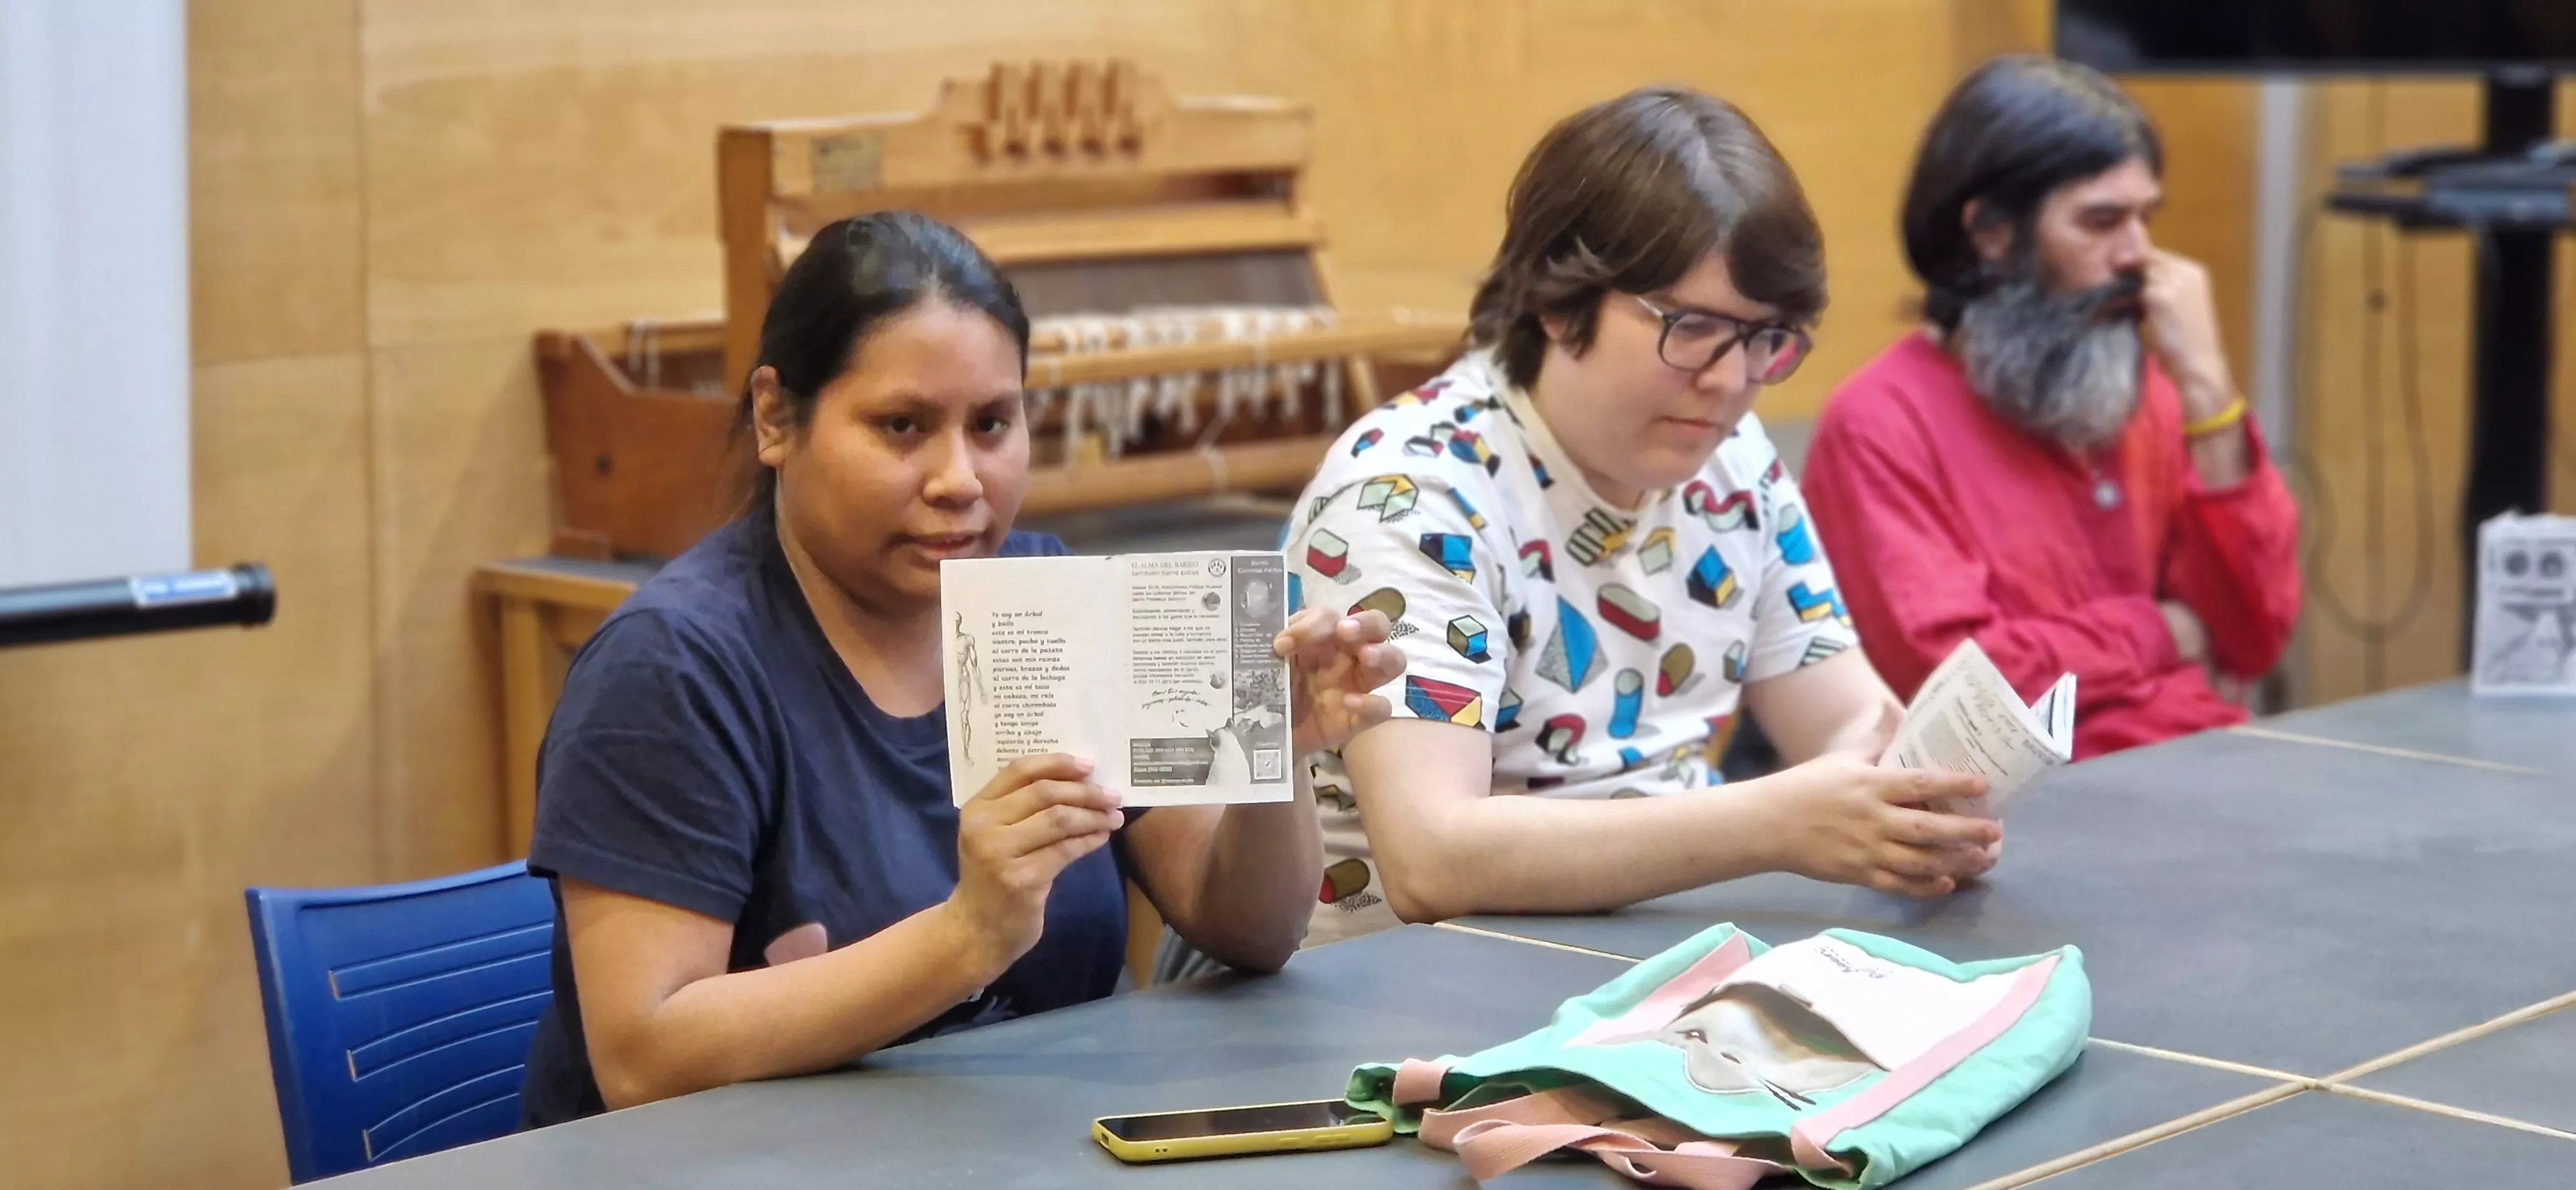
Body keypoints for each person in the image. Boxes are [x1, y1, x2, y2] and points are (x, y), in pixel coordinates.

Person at [517, 211, 1401, 1125]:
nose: (960, 478)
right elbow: (644, 1057)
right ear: (777, 417)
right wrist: (967, 935)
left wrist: (1275, 753)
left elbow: (1248, 930)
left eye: (992, 424)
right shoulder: (672, 668)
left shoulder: (1051, 600)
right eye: (902, 427)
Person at [1282, 87, 2001, 947]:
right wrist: (1772, 824)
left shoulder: (1733, 462)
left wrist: (1907, 795)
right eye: (1691, 327)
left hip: (1655, 952)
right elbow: (1433, 857)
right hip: (1410, 992)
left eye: (1768, 337)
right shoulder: (1413, 490)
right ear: (1556, 301)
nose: (1731, 381)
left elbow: (1850, 719)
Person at [1799, 57, 2301, 759]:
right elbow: (1964, 688)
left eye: (2144, 217)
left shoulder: (2142, 389)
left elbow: (2251, 636)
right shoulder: (1878, 421)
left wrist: (2207, 386)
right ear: (1991, 232)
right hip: (2026, 812)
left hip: (2203, 765)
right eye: (2100, 221)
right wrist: (2164, 632)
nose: (2138, 255)